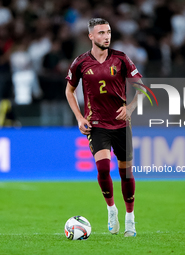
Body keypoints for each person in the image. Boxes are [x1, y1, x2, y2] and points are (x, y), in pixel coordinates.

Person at [65, 18, 143, 237]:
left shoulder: (121, 59)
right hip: (96, 124)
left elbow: (142, 89)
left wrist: (130, 108)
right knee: (102, 169)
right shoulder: (80, 62)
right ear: (91, 36)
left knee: (126, 173)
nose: (106, 36)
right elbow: (69, 91)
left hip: (121, 124)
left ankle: (130, 219)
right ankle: (111, 209)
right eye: (101, 33)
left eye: (108, 32)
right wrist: (80, 117)